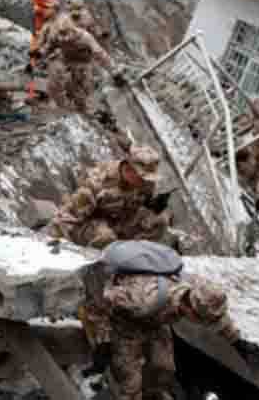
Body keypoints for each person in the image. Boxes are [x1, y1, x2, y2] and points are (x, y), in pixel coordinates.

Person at [87, 241, 259, 400]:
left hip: (156, 323)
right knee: (130, 382)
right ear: (187, 308)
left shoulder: (197, 291)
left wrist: (238, 343)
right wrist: (102, 341)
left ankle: (154, 393)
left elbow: (216, 317)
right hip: (125, 326)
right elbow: (100, 305)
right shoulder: (144, 298)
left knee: (163, 369)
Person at [47, 145, 173, 353]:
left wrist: (154, 208)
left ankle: (131, 260)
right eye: (141, 178)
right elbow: (68, 217)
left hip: (118, 223)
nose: (145, 183)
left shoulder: (143, 184)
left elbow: (139, 209)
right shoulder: (98, 182)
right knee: (106, 237)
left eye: (147, 180)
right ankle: (104, 273)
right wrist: (52, 246)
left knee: (159, 221)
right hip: (88, 226)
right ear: (128, 169)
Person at [32, 0, 124, 114]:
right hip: (67, 62)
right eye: (61, 34)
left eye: (66, 33)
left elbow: (101, 55)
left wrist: (115, 73)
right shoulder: (57, 35)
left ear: (72, 29)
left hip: (84, 64)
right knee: (62, 87)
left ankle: (89, 112)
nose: (64, 37)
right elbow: (49, 46)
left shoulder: (85, 38)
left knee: (83, 92)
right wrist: (40, 54)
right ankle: (67, 110)